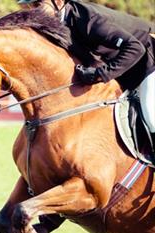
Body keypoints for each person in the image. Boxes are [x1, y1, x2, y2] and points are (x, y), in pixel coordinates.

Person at [17, 0, 155, 138]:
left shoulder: (90, 21)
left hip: (149, 59)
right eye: (28, 7)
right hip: (127, 68)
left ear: (58, 2)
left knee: (151, 118)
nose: (32, 12)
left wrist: (100, 74)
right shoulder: (56, 25)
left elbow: (135, 48)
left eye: (37, 5)